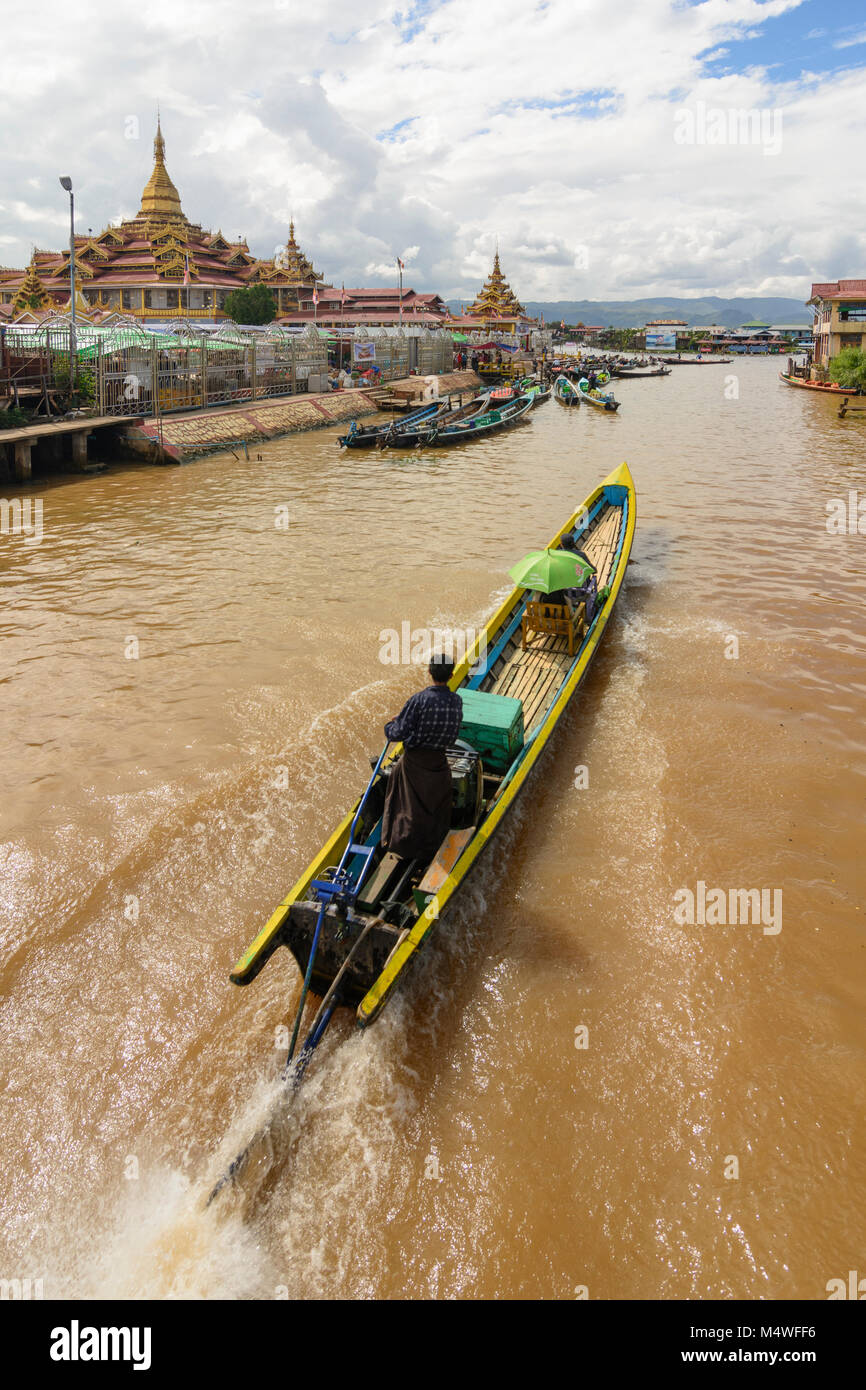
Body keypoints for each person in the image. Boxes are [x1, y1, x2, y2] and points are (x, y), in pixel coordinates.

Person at [381, 655, 463, 860]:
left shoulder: (418, 700)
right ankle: (431, 849)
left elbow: (396, 734)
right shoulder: (456, 701)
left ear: (429, 672)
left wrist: (390, 725)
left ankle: (401, 845)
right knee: (437, 808)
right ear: (451, 675)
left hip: (414, 765)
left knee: (400, 796)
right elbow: (452, 735)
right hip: (439, 764)